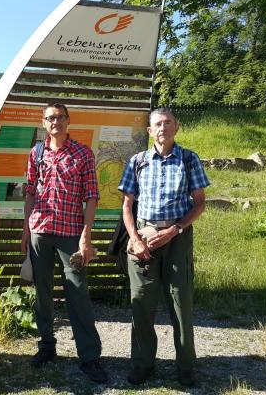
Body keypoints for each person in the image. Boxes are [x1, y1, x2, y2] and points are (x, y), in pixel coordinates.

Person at [118, 108, 209, 387]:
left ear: (176, 128)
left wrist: (174, 230)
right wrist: (134, 239)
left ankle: (186, 367)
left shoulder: (189, 159)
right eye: (157, 124)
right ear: (149, 131)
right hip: (143, 237)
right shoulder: (138, 161)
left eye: (168, 123)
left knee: (181, 302)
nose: (163, 128)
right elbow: (127, 205)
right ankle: (143, 364)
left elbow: (200, 203)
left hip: (177, 237)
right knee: (142, 304)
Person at [20, 103, 108, 383]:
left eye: (59, 117)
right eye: (49, 118)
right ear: (43, 123)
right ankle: (46, 346)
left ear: (68, 121)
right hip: (40, 232)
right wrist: (26, 230)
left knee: (78, 293)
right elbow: (31, 193)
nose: (54, 122)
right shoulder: (36, 153)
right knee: (42, 293)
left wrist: (86, 234)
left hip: (71, 234)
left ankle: (90, 357)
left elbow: (92, 196)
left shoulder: (83, 153)